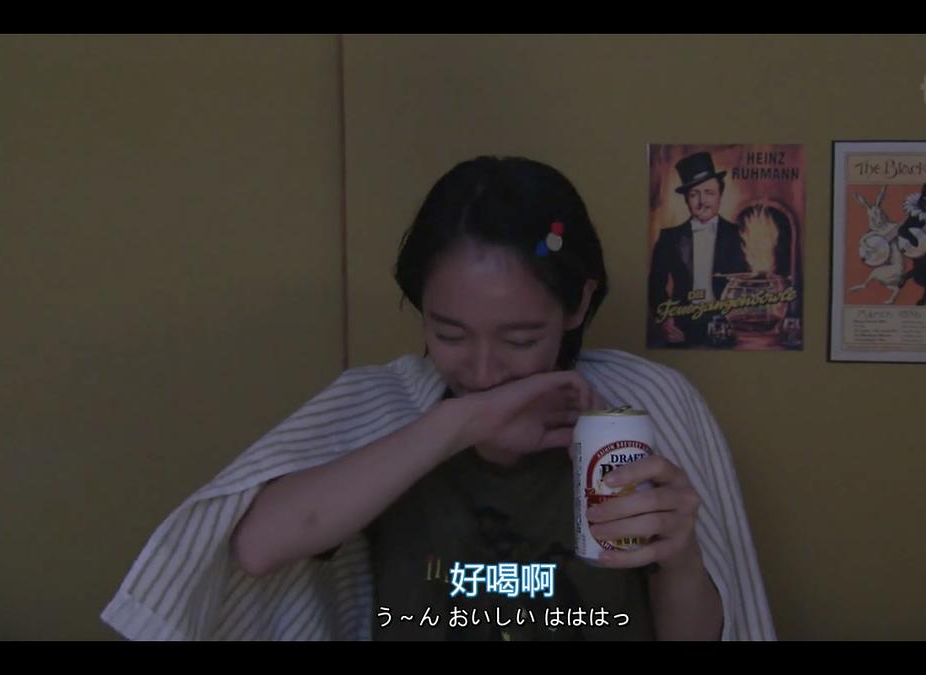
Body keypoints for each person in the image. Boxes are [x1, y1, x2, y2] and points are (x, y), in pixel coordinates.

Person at [101, 155, 775, 641]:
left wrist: (680, 556)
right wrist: (461, 422)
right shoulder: (384, 405)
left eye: (519, 337)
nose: (482, 368)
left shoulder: (641, 406)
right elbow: (255, 547)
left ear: (579, 304)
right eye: (448, 332)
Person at [647, 151, 750, 348]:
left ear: (720, 195)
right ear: (686, 199)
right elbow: (655, 284)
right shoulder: (669, 238)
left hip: (731, 325)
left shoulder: (741, 235)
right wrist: (665, 318)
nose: (702, 201)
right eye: (694, 194)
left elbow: (750, 283)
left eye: (709, 192)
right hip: (682, 326)